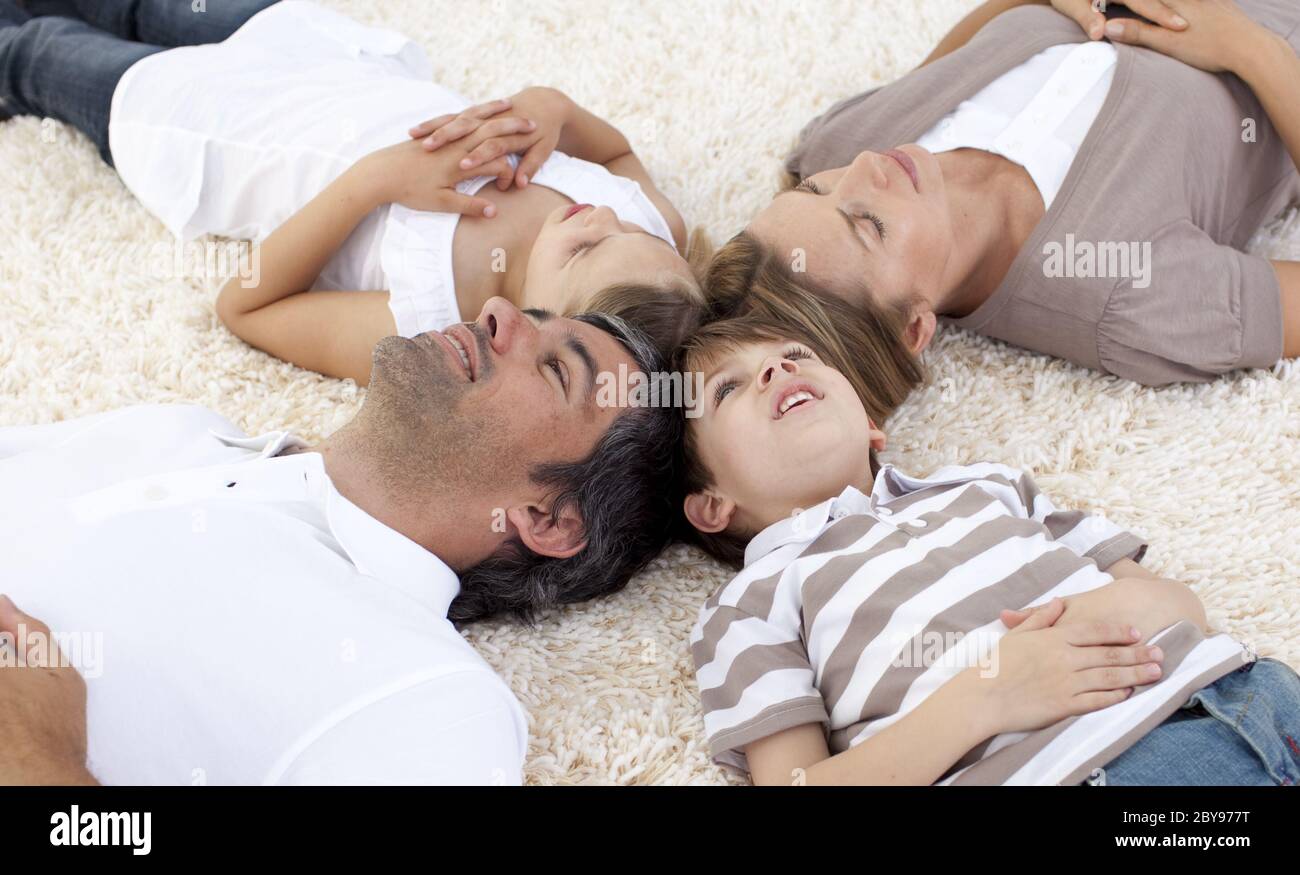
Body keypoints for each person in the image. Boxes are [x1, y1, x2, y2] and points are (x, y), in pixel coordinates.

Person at [0, 297, 682, 784]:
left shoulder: (428, 702)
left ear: (551, 519)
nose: (499, 310)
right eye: (532, 318)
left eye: (557, 369)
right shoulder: (180, 433)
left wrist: (35, 755)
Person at [671, 287, 1300, 785]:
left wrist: (1046, 638)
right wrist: (986, 694)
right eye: (729, 387)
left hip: (1249, 701)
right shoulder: (748, 604)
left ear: (870, 424)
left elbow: (1177, 603)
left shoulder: (990, 485)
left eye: (798, 355)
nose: (780, 368)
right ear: (711, 506)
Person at [0, 0, 706, 380]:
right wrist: (553, 107)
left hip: (218, 127)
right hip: (308, 52)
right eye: (628, 230)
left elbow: (248, 304)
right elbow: (612, 150)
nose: (599, 215)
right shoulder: (655, 229)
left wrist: (372, 182)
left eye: (586, 251)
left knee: (37, 54)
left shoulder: (438, 313)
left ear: (535, 320)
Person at [711, 0, 1300, 388]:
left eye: (815, 190)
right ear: (914, 329)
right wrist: (1255, 52)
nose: (865, 168)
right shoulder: (1126, 297)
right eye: (868, 224)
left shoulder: (841, 145)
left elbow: (967, 53)